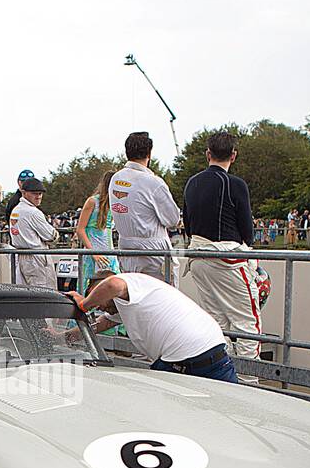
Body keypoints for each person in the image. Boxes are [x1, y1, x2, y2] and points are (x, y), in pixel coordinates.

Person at [182, 130, 268, 359]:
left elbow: (188, 226)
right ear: (233, 155)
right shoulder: (236, 184)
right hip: (228, 260)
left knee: (216, 324)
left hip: (198, 258)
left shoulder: (192, 183)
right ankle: (250, 382)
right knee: (247, 324)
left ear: (207, 154)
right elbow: (247, 232)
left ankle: (224, 377)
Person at [71, 269, 237, 383]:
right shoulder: (128, 303)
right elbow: (101, 324)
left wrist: (85, 304)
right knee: (230, 410)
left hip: (182, 359)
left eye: (97, 295)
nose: (98, 304)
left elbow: (112, 285)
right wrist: (64, 336)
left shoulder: (128, 283)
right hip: (213, 353)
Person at [109, 132, 179, 281]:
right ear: (149, 153)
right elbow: (172, 220)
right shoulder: (153, 182)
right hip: (154, 253)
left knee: (132, 297)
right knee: (161, 299)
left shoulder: (116, 179)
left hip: (126, 251)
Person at [8, 177, 57, 289]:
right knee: (44, 292)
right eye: (34, 193)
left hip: (21, 256)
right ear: (24, 193)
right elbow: (51, 236)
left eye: (40, 193)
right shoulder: (33, 212)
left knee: (25, 293)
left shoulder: (15, 210)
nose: (38, 196)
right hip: (36, 257)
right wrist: (55, 235)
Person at [74, 171, 117, 295]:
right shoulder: (92, 202)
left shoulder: (114, 204)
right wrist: (93, 253)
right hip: (93, 253)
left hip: (109, 254)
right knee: (88, 290)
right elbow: (80, 229)